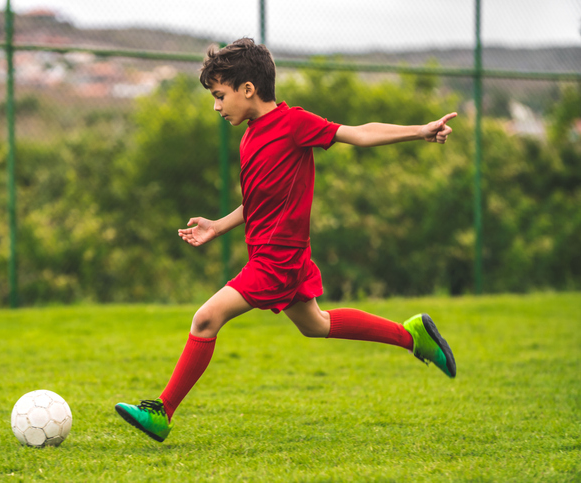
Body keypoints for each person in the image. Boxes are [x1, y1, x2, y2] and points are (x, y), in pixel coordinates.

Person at [115, 38, 457, 443]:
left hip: (278, 259)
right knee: (316, 324)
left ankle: (162, 412)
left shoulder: (293, 123)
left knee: (206, 318)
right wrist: (218, 225)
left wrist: (420, 131)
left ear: (248, 89)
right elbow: (257, 201)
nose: (216, 106)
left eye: (220, 95)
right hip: (273, 255)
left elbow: (359, 134)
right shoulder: (249, 137)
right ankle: (411, 336)